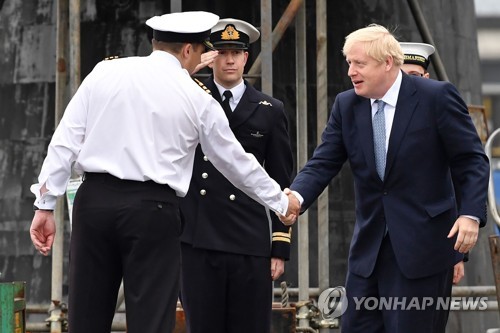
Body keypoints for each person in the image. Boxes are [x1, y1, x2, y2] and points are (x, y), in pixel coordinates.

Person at [29, 11, 298, 333]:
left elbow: (64, 142)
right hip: (153, 209)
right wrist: (281, 204)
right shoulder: (197, 98)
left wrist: (44, 205)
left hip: (93, 203)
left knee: (85, 316)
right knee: (151, 318)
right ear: (189, 50)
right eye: (202, 51)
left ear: (155, 42)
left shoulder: (105, 72)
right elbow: (235, 162)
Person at [282, 24, 489, 333]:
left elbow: (471, 160)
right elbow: (323, 161)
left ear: (388, 63)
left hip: (424, 251)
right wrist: (296, 197)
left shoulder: (436, 97)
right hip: (369, 254)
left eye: (359, 63)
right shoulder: (347, 104)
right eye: (349, 62)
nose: (351, 71)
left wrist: (470, 214)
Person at [179, 18, 294, 333]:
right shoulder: (190, 99)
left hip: (248, 239)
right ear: (211, 56)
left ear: (246, 57)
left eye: (236, 53)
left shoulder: (270, 110)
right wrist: (185, 69)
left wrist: (279, 248)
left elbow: (282, 180)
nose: (229, 60)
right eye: (222, 52)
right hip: (198, 238)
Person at [400, 41, 466, 285]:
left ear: (426, 76)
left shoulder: (440, 110)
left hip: (433, 243)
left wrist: (457, 253)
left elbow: (459, 177)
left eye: (414, 75)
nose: (409, 83)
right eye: (401, 76)